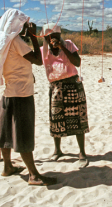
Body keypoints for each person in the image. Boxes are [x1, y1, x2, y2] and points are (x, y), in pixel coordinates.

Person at [0, 9, 57, 186]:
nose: (26, 26)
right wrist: (33, 36)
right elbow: (38, 60)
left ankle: (8, 166)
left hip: (9, 92)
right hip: (21, 93)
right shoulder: (16, 42)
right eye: (24, 23)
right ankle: (33, 175)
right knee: (23, 133)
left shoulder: (4, 41)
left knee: (5, 130)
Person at [40, 23, 89, 168]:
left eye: (57, 36)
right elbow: (36, 60)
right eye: (51, 37)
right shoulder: (43, 51)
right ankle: (58, 150)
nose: (54, 39)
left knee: (78, 118)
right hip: (55, 86)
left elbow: (77, 62)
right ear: (46, 38)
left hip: (73, 84)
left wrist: (62, 47)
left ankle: (82, 153)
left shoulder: (68, 44)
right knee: (56, 118)